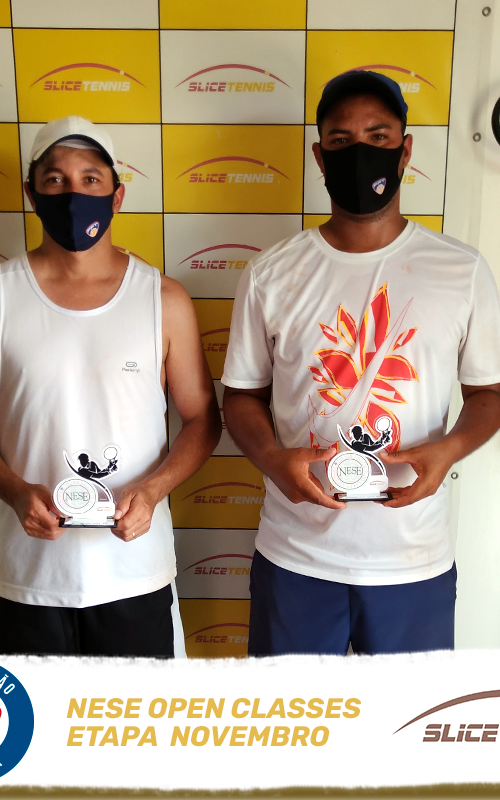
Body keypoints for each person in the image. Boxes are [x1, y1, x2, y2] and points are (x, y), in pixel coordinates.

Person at [222, 71, 500, 656]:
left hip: (413, 561)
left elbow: (488, 394)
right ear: (320, 157)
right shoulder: (270, 273)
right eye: (342, 141)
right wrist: (272, 458)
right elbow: (242, 395)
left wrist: (449, 449)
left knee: (410, 718)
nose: (361, 153)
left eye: (378, 137)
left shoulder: (462, 270)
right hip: (295, 557)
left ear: (405, 149)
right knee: (289, 718)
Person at [0, 116, 221, 657]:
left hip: (134, 574)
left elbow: (202, 420)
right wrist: (13, 491)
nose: (73, 193)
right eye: (55, 179)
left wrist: (153, 490)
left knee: (133, 717)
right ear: (31, 194)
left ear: (117, 196)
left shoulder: (163, 298)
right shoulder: (2, 295)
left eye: (90, 179)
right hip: (26, 578)